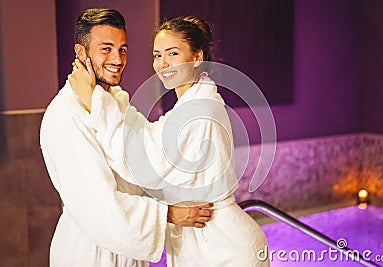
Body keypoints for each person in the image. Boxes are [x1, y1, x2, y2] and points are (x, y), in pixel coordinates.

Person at [70, 16, 269, 266]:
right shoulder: (192, 105)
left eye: (172, 53)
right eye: (157, 55)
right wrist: (114, 98)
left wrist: (93, 99)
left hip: (224, 247)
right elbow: (147, 135)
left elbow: (140, 161)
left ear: (197, 58)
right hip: (205, 240)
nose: (162, 64)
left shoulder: (198, 109)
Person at [40, 8, 213, 267]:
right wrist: (169, 214)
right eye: (106, 49)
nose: (118, 59)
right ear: (80, 52)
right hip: (90, 256)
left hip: (127, 255)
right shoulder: (66, 115)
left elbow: (145, 154)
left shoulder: (114, 101)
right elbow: (97, 206)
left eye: (122, 49)